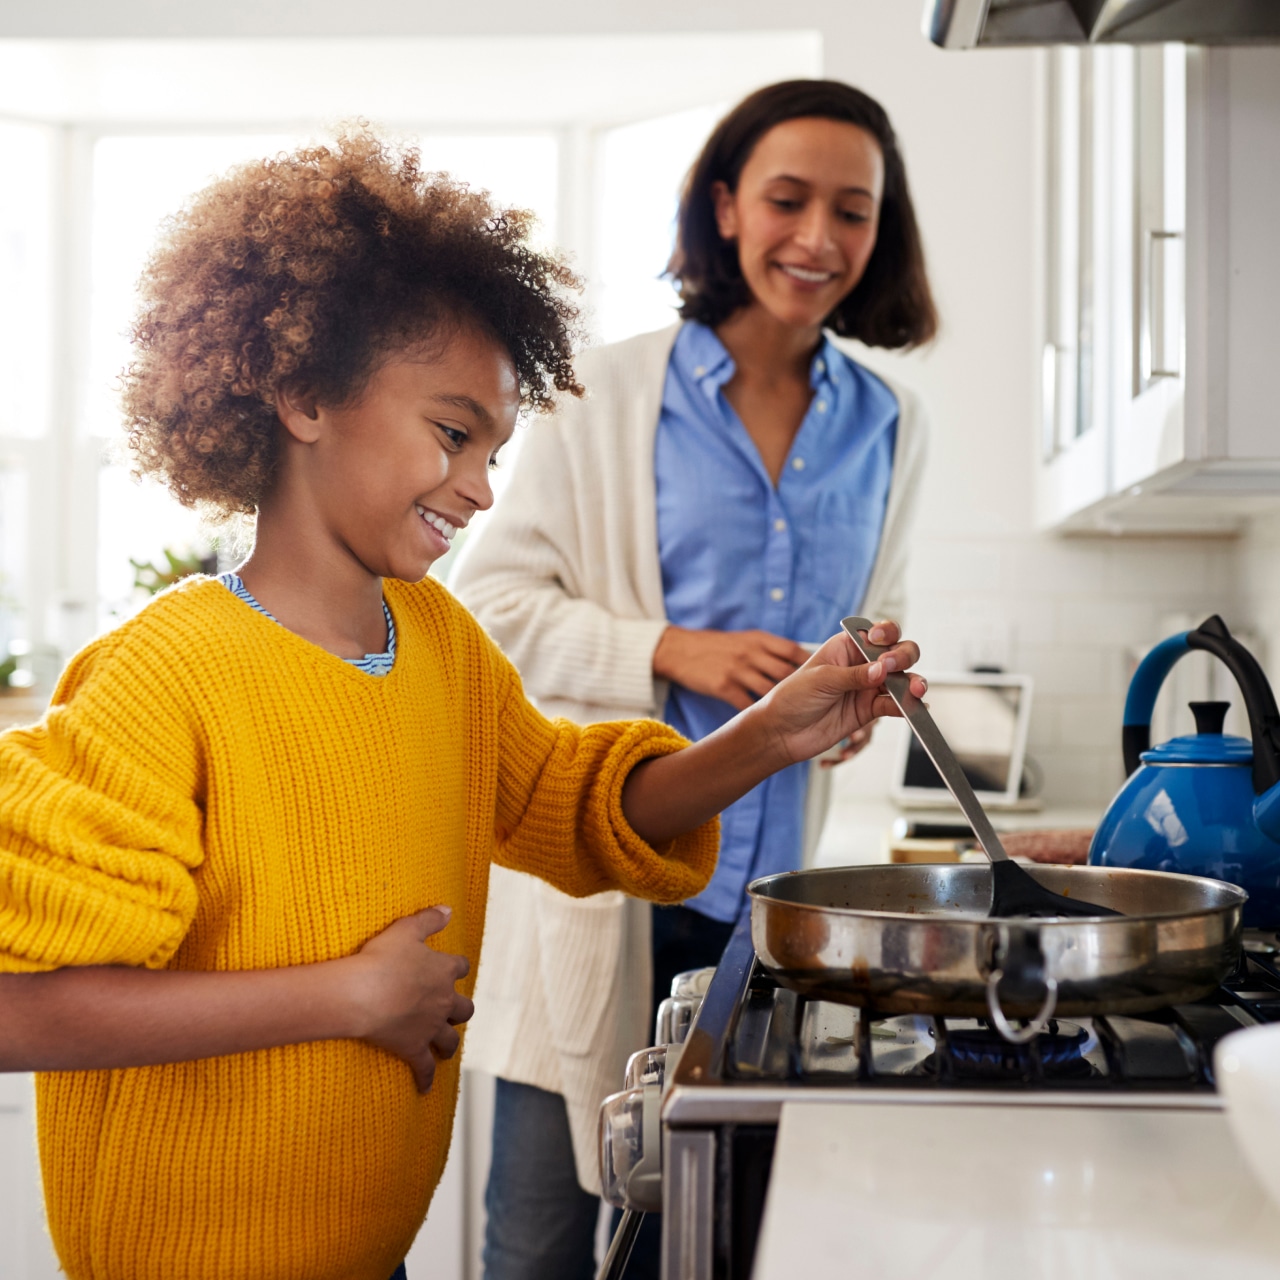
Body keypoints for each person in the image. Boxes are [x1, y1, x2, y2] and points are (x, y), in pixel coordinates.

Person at [0, 131, 926, 1280]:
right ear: (300, 394)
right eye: (451, 433)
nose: (482, 488)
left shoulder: (436, 642)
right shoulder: (162, 673)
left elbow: (580, 803)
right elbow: (20, 1007)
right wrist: (345, 996)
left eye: (491, 445)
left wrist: (769, 732)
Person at [452, 79, 938, 1280]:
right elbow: (485, 607)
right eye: (786, 199)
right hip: (593, 900)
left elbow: (869, 617)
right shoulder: (595, 395)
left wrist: (850, 698)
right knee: (542, 1248)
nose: (818, 238)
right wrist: (666, 649)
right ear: (725, 207)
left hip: (769, 926)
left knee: (722, 1247)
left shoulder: (891, 424)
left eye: (852, 211)